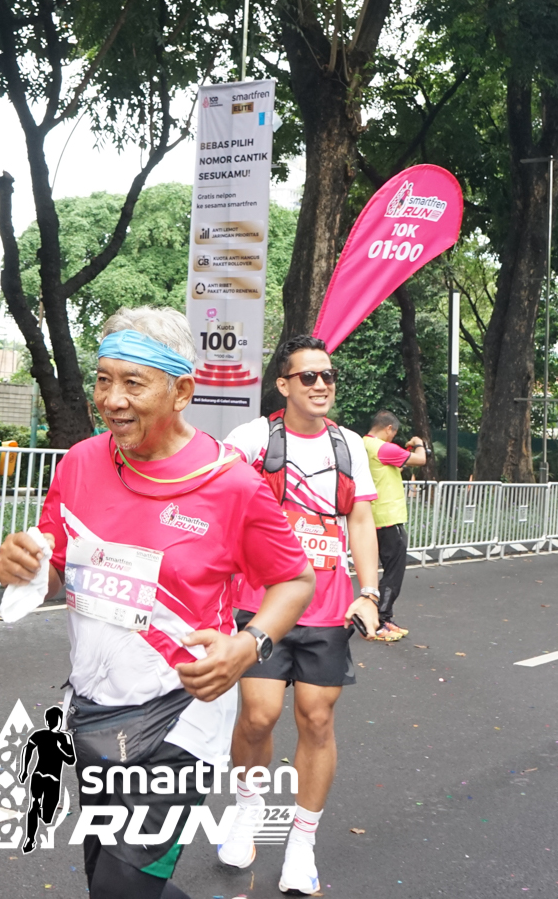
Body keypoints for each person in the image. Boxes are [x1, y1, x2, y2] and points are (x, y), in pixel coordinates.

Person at [0, 306, 315, 899]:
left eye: (133, 383)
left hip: (181, 713)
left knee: (121, 889)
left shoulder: (232, 484)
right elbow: (55, 567)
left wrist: (249, 646)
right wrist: (24, 565)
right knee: (107, 880)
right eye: (103, 380)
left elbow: (296, 580)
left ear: (182, 391)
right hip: (95, 709)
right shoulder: (80, 463)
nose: (112, 399)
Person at [217, 334, 382, 896]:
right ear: (283, 385)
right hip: (261, 601)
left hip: (328, 606)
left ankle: (302, 841)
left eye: (328, 375)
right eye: (308, 376)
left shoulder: (349, 445)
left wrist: (369, 593)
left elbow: (360, 521)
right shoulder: (253, 439)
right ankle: (247, 809)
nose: (320, 384)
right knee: (259, 716)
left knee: (316, 719)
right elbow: (217, 500)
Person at [362, 412, 427, 642]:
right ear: (389, 428)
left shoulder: (363, 445)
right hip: (389, 517)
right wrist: (418, 444)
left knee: (373, 572)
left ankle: (377, 617)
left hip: (371, 517)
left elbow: (392, 469)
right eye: (394, 433)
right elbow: (421, 460)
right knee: (393, 572)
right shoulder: (382, 447)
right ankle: (382, 619)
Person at [18, 705, 76, 853]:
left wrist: (59, 750)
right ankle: (30, 839)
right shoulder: (45, 735)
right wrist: (24, 770)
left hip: (47, 778)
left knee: (46, 816)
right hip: (43, 776)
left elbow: (70, 760)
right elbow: (27, 749)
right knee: (34, 804)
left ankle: (39, 813)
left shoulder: (62, 737)